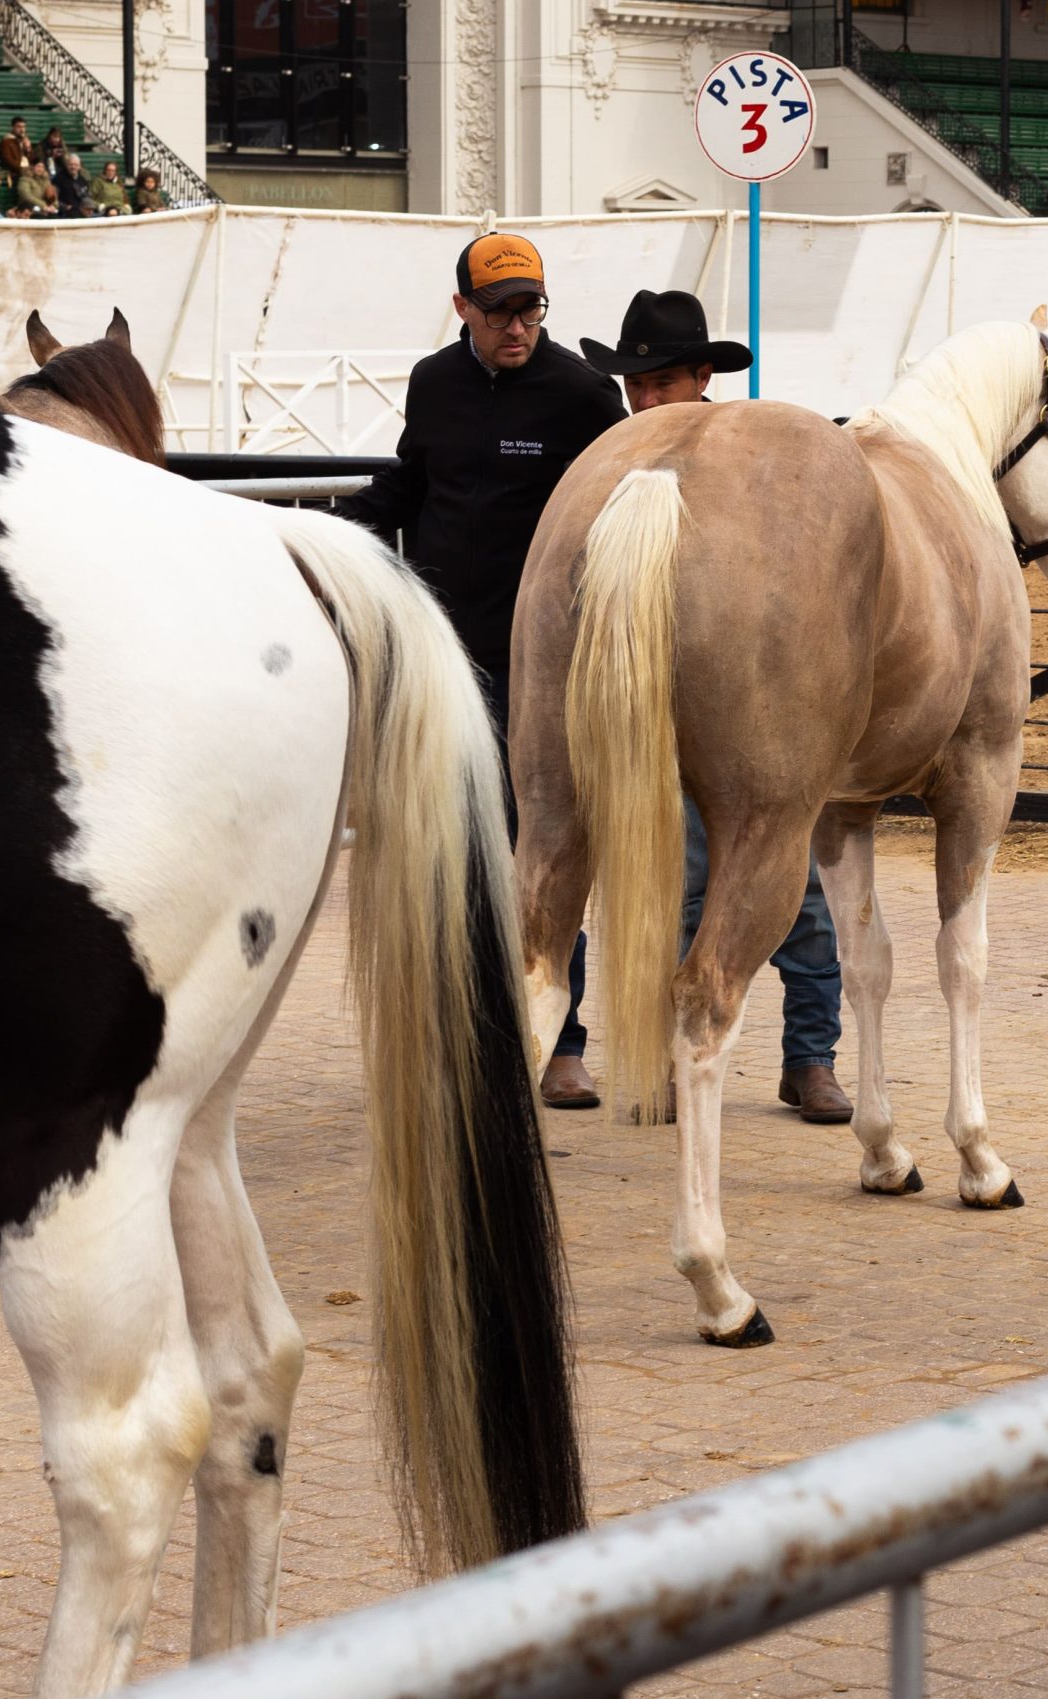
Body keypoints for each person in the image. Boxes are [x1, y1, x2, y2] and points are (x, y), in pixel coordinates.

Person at [342, 230, 626, 1109]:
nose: (517, 326)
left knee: (544, 844)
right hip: (436, 655)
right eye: (499, 309)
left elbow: (624, 509)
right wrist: (329, 534)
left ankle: (563, 1040)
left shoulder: (583, 396)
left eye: (530, 308)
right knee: (443, 847)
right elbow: (410, 486)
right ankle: (450, 1029)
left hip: (539, 667)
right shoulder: (434, 382)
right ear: (461, 306)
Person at [579, 288, 852, 1124]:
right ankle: (681, 1049)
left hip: (755, 712)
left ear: (703, 377)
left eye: (662, 385)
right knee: (682, 886)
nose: (646, 402)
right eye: (636, 387)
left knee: (790, 890)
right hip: (653, 711)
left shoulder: (756, 467)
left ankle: (810, 1056)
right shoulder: (615, 463)